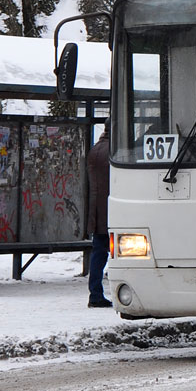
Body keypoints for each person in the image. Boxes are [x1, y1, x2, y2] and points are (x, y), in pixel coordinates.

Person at [86, 126, 112, 307]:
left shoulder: (96, 149)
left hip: (97, 210)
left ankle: (95, 293)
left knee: (98, 253)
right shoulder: (116, 151)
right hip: (112, 210)